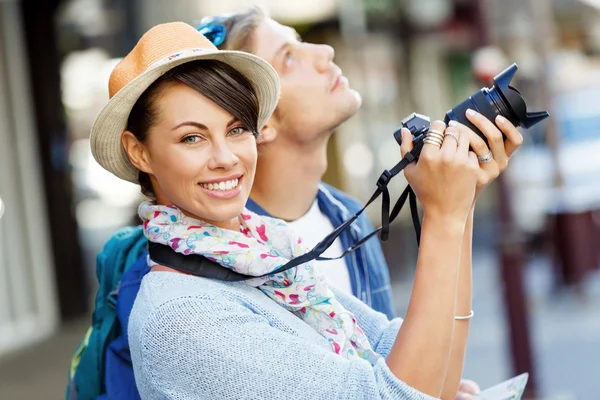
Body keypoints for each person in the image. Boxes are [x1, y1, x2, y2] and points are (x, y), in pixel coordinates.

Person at [89, 17, 523, 399]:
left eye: (237, 129)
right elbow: (402, 394)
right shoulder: (180, 318)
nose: (225, 157)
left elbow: (430, 372)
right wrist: (445, 218)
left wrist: (459, 204)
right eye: (191, 137)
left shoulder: (262, 259)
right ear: (139, 152)